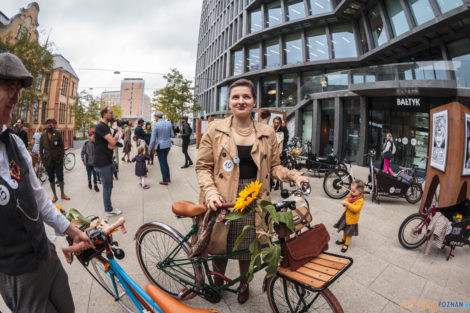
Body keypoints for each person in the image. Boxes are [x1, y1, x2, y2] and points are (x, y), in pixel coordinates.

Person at [196, 78, 309, 304]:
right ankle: (218, 282)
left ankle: (244, 283)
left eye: (246, 97)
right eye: (235, 97)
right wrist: (210, 192)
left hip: (255, 197)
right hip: (223, 195)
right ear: (229, 101)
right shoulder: (215, 129)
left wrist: (295, 176)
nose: (241, 101)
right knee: (221, 244)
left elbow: (275, 167)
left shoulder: (267, 132)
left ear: (254, 101)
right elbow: (202, 167)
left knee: (250, 245)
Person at [0, 52, 92, 313]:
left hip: (46, 256)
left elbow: (39, 199)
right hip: (17, 272)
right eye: (9, 89)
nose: (16, 99)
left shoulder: (15, 143)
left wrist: (72, 231)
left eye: (18, 90)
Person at [94, 106, 122, 216]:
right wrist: (117, 134)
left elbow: (111, 146)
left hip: (107, 160)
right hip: (102, 162)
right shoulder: (101, 126)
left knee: (109, 185)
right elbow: (112, 142)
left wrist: (113, 141)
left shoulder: (105, 126)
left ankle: (108, 207)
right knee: (107, 186)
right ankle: (108, 210)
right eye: (111, 113)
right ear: (104, 114)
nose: (113, 115)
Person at [39, 118, 70, 203]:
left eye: (51, 123)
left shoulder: (57, 133)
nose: (49, 124)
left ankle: (63, 194)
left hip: (57, 159)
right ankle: (55, 196)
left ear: (52, 124)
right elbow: (41, 149)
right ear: (46, 125)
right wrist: (43, 160)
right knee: (51, 178)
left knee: (60, 176)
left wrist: (62, 156)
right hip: (48, 160)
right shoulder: (43, 135)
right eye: (48, 123)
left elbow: (61, 145)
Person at [333, 179, 365, 253]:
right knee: (345, 229)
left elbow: (356, 209)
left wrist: (348, 204)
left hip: (352, 220)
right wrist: (345, 202)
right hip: (346, 216)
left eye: (354, 191)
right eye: (351, 190)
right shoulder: (352, 195)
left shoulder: (360, 200)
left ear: (360, 191)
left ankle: (346, 244)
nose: (352, 193)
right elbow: (347, 199)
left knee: (349, 232)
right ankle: (343, 240)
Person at [149, 111, 174, 185]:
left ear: (156, 117)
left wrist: (150, 148)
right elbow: (172, 135)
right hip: (168, 145)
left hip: (160, 146)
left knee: (162, 163)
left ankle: (164, 180)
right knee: (165, 161)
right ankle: (168, 177)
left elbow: (153, 138)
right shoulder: (169, 123)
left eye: (155, 117)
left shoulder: (156, 125)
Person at [272, 116, 289, 190]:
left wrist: (280, 139)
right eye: (275, 122)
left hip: (280, 151)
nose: (276, 124)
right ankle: (272, 181)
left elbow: (286, 138)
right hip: (273, 150)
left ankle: (278, 184)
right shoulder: (271, 128)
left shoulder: (283, 128)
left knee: (279, 167)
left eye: (277, 123)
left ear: (280, 123)